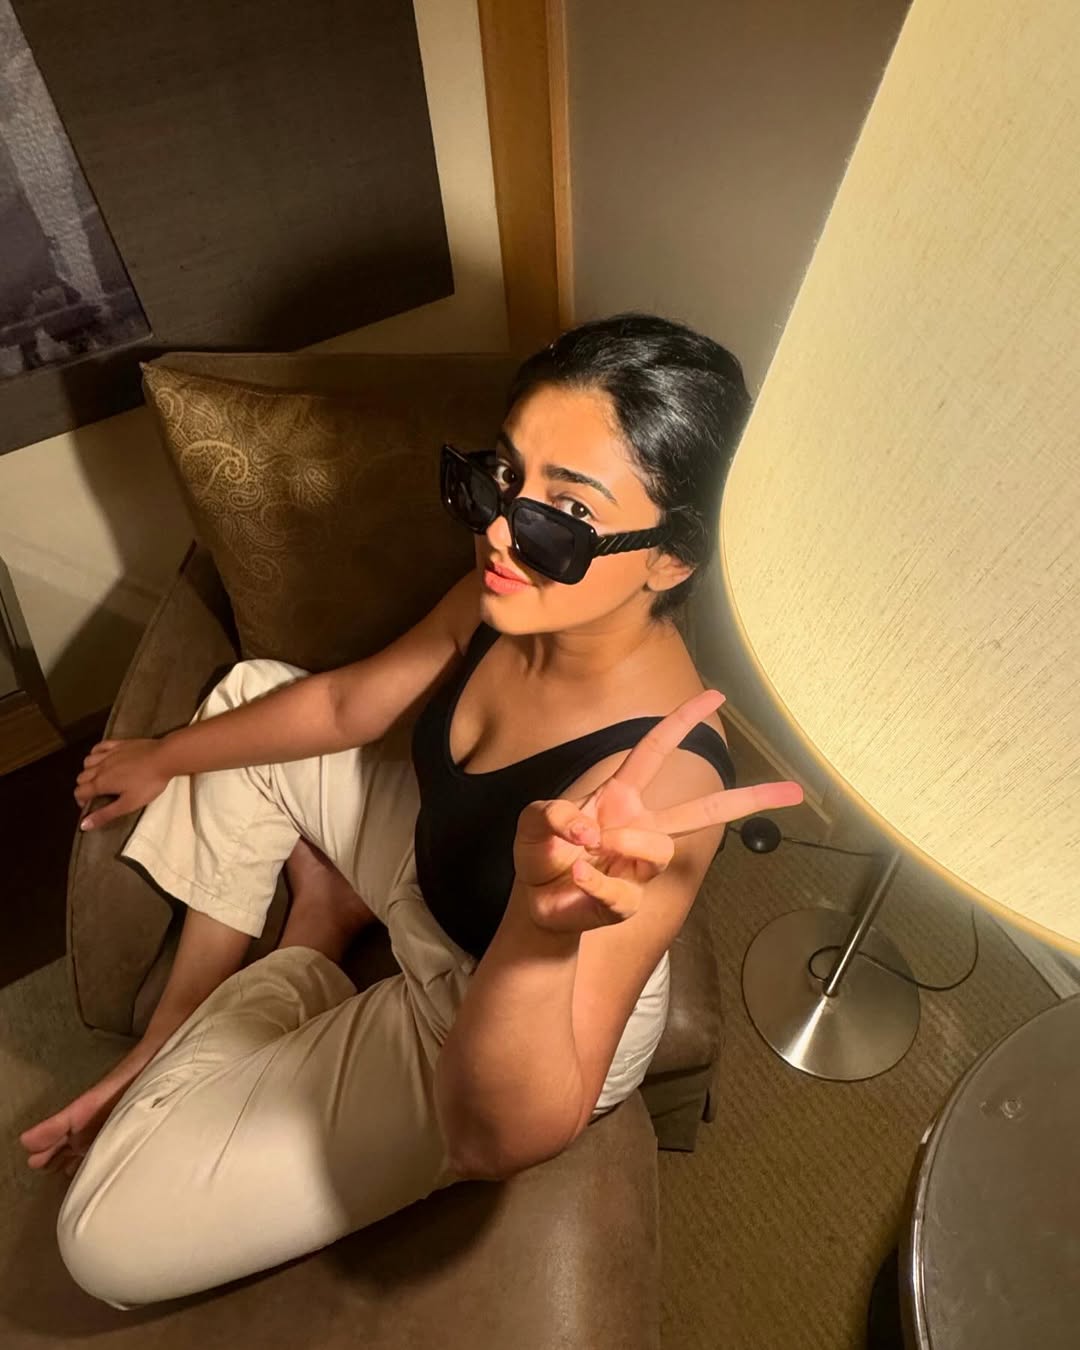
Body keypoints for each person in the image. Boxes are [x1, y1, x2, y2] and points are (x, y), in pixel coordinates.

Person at [20, 313, 803, 1307]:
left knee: (103, 1243)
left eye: (566, 513)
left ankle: (309, 942)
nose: (500, 530)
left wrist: (538, 927)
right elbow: (351, 706)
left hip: (494, 1001)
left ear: (672, 559)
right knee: (250, 693)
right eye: (502, 477)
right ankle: (183, 1026)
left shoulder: (661, 786)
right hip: (434, 867)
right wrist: (163, 755)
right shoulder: (510, 590)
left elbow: (499, 1138)